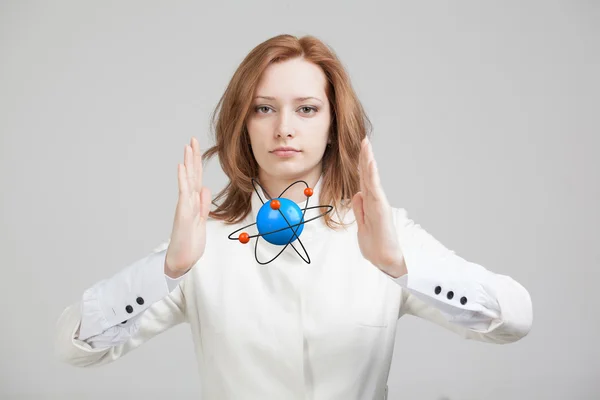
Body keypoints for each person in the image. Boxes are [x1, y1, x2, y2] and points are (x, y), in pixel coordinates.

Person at [54, 34, 533, 399]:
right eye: (264, 109)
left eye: (306, 109)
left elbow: (514, 318)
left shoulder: (382, 233)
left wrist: (401, 266)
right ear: (242, 123)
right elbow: (75, 346)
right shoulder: (205, 243)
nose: (284, 128)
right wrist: (167, 270)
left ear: (332, 124)